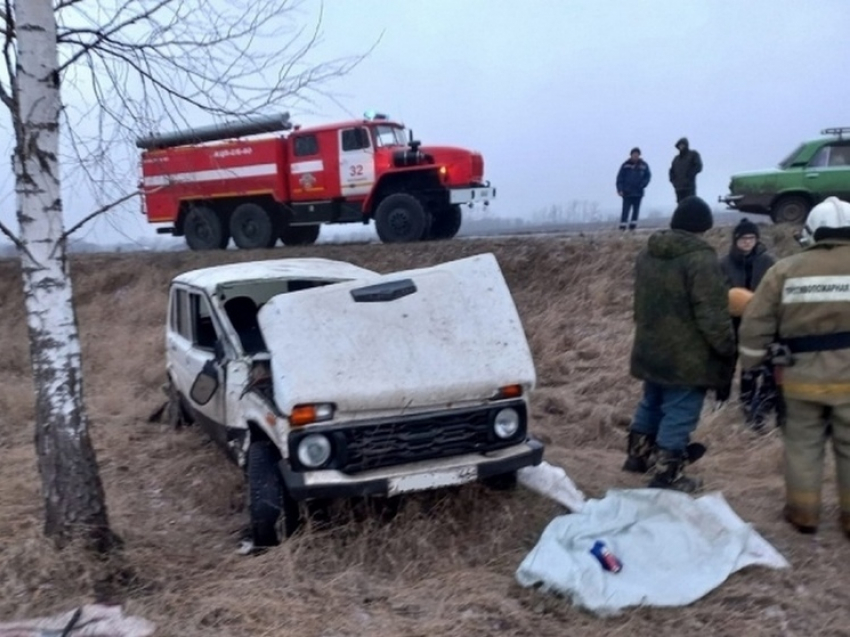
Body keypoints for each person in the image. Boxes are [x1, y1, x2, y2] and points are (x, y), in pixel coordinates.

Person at [738, 197, 850, 539]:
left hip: (801, 379)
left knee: (802, 447)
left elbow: (755, 324)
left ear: (812, 231)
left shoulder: (784, 270)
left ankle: (803, 515)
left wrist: (752, 364)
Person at [623, 196, 736, 492]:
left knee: (651, 400)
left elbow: (639, 304)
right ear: (703, 227)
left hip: (650, 347)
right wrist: (727, 348)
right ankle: (667, 474)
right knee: (680, 410)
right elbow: (712, 314)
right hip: (686, 356)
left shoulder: (647, 254)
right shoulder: (701, 259)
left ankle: (637, 457)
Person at [719, 218, 777, 430]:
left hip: (759, 320)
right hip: (731, 318)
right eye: (743, 239)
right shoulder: (724, 263)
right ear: (736, 240)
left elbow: (774, 289)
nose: (747, 242)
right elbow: (718, 290)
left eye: (751, 238)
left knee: (752, 363)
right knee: (727, 360)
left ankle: (750, 403)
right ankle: (721, 401)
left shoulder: (767, 262)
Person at [616, 147, 652, 231]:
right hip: (627, 192)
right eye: (634, 154)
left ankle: (633, 227)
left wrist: (643, 184)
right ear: (631, 155)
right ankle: (623, 226)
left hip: (638, 192)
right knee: (625, 210)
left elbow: (648, 176)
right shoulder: (625, 165)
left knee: (636, 210)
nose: (635, 156)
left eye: (637, 154)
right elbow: (619, 178)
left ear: (639, 155)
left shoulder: (644, 165)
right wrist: (619, 189)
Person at [669, 137, 703, 202]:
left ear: (686, 145)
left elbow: (698, 166)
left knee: (691, 205)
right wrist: (673, 182)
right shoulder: (676, 159)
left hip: (689, 187)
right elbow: (671, 171)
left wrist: (690, 175)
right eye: (679, 145)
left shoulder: (693, 154)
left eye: (682, 145)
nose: (681, 147)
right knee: (681, 207)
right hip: (678, 188)